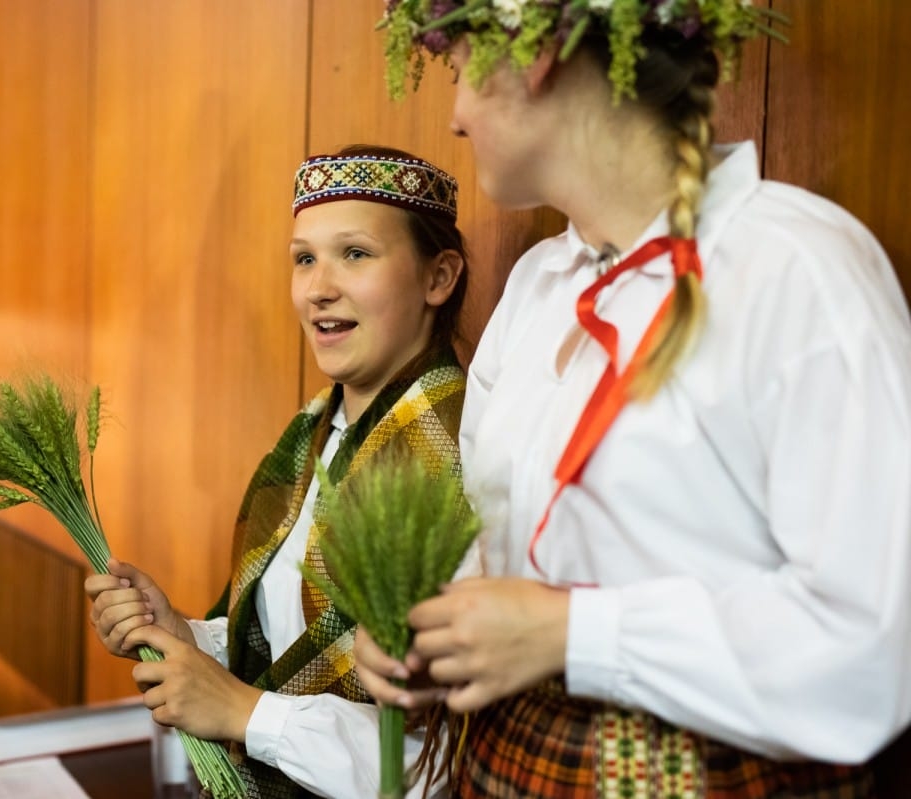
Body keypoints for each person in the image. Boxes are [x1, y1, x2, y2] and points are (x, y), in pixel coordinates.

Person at [355, 2, 911, 797]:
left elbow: (872, 648)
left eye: (455, 71)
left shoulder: (797, 270)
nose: (452, 116)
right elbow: (488, 536)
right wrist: (443, 633)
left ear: (537, 53)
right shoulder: (537, 286)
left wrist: (573, 633)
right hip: (509, 762)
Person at [86, 144, 471, 798]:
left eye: (355, 254)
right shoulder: (310, 437)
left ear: (439, 277)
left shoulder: (462, 455)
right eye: (304, 258)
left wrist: (243, 710)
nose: (319, 287)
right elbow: (284, 653)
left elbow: (431, 761)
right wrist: (182, 633)